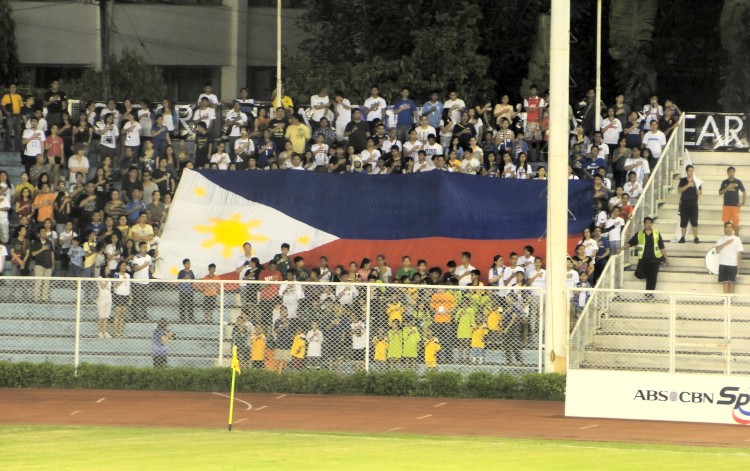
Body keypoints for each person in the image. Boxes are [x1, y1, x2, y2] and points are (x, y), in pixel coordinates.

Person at [618, 217, 669, 292]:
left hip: (655, 259)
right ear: (644, 224)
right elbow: (630, 243)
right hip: (643, 259)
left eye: (649, 223)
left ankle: (649, 296)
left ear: (652, 224)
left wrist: (666, 258)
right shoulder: (639, 234)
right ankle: (648, 276)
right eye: (646, 223)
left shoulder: (656, 233)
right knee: (639, 274)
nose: (648, 224)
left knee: (652, 278)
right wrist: (621, 249)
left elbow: (662, 247)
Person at [715, 222, 744, 294]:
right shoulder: (721, 239)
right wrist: (726, 243)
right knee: (725, 282)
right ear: (724, 228)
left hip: (733, 264)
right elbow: (717, 249)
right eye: (727, 227)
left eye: (730, 227)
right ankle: (725, 299)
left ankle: (730, 300)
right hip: (723, 263)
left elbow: (739, 252)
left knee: (732, 282)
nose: (728, 229)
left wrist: (739, 263)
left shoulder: (737, 239)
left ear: (733, 228)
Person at [678, 165, 703, 243]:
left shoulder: (697, 181)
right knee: (683, 221)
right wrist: (688, 185)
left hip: (693, 204)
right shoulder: (683, 180)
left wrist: (699, 192)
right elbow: (679, 190)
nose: (691, 172)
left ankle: (696, 237)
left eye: (692, 170)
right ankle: (682, 237)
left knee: (694, 221)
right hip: (684, 204)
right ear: (686, 171)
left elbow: (700, 191)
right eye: (689, 170)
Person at [719, 166, 746, 236]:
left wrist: (742, 203)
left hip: (735, 206)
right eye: (730, 172)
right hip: (726, 206)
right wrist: (727, 187)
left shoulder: (738, 181)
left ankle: (736, 239)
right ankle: (726, 239)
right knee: (726, 224)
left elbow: (744, 191)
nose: (731, 173)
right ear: (727, 173)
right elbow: (720, 193)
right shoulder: (724, 182)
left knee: (736, 224)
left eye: (732, 172)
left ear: (734, 173)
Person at [31, 227, 55, 302]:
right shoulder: (36, 242)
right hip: (39, 264)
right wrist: (42, 249)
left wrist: (53, 264)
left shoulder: (49, 242)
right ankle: (36, 298)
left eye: (45, 231)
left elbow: (52, 253)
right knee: (38, 282)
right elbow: (33, 254)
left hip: (48, 265)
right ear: (39, 233)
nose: (44, 233)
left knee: (47, 283)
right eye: (42, 231)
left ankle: (45, 298)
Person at [112, 260, 131, 338]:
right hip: (119, 295)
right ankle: (116, 332)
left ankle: (120, 332)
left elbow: (129, 286)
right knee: (118, 315)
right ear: (119, 266)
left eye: (125, 265)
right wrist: (123, 280)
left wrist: (130, 297)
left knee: (122, 315)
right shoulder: (116, 274)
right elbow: (115, 285)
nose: (124, 267)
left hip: (126, 295)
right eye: (123, 265)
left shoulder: (128, 275)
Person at [97, 265, 113, 338]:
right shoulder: (99, 278)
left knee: (106, 317)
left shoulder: (110, 278)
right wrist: (107, 280)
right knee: (101, 317)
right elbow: (102, 286)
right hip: (101, 299)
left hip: (108, 299)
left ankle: (105, 331)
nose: (109, 269)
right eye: (107, 268)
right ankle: (100, 332)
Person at [177, 258, 195, 322]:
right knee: (182, 304)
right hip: (183, 291)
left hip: (190, 291)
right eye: (187, 264)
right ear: (184, 265)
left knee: (190, 304)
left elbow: (193, 280)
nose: (189, 265)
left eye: (189, 263)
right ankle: (182, 318)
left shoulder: (191, 272)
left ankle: (191, 318)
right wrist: (185, 278)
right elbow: (178, 281)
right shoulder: (181, 272)